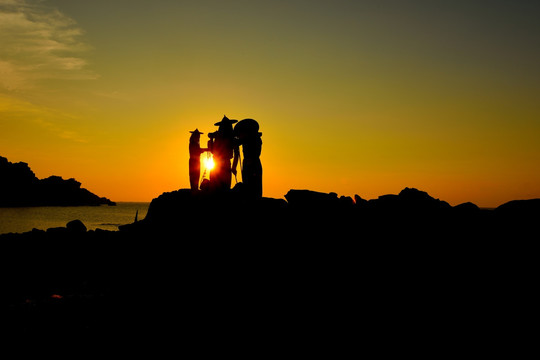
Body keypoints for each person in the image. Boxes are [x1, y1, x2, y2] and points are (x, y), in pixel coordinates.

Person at [207, 116, 238, 192]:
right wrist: (234, 167)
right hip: (223, 164)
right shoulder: (231, 138)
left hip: (217, 164)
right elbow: (236, 154)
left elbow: (211, 150)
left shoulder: (218, 136)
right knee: (224, 187)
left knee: (217, 187)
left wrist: (211, 139)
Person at [233, 119, 262, 198]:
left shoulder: (252, 139)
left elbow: (238, 142)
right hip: (249, 163)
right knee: (249, 185)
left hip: (252, 164)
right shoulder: (252, 138)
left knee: (252, 186)